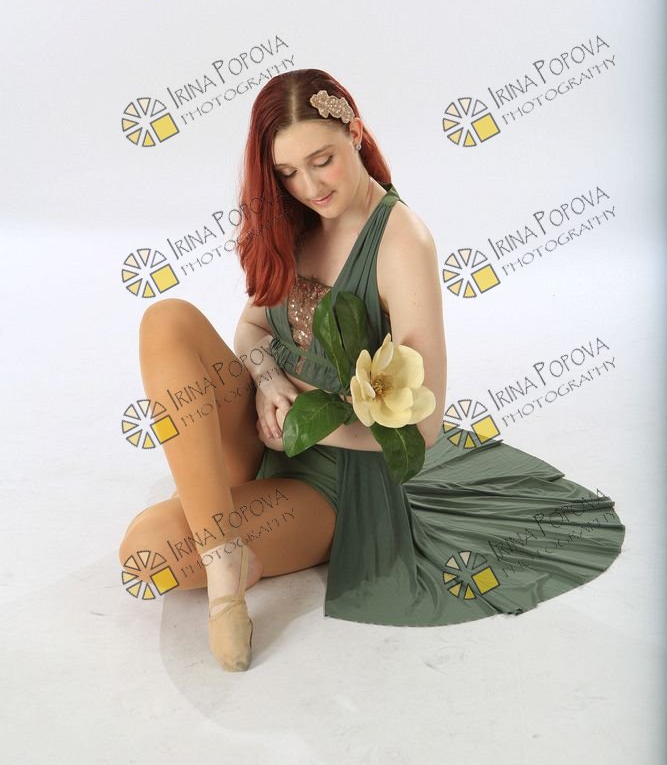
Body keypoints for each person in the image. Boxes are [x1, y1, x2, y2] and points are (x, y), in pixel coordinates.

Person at [118, 68, 625, 672]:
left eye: (323, 161)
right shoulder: (294, 221)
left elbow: (424, 427)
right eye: (287, 173)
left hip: (335, 480)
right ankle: (223, 555)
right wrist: (269, 382)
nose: (309, 186)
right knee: (166, 319)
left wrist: (306, 427)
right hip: (260, 433)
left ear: (355, 133)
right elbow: (252, 328)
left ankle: (215, 529)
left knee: (145, 553)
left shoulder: (402, 242)